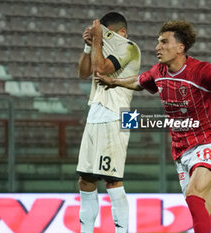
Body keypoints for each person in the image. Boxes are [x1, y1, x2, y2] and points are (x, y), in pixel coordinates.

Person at [95, 20, 211, 233]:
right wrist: (115, 82)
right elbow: (140, 82)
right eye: (158, 42)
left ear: (180, 48)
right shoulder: (158, 71)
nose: (157, 47)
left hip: (207, 141)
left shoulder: (199, 71)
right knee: (204, 214)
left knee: (194, 195)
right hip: (181, 150)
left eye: (163, 42)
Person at [76, 12, 141, 233]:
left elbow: (100, 69)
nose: (106, 39)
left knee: (112, 180)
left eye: (109, 34)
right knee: (86, 180)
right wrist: (88, 46)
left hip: (118, 115)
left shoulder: (129, 47)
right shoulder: (99, 48)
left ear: (122, 32)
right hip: (95, 113)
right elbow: (83, 73)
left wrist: (97, 41)